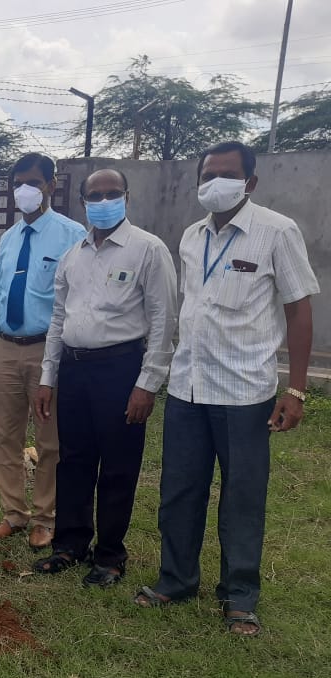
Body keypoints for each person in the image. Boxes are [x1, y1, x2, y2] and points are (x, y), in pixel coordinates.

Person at [136, 142, 319, 636]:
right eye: (208, 174)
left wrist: (296, 389)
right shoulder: (191, 237)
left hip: (244, 393)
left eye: (227, 174)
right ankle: (175, 580)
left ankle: (239, 596)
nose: (215, 182)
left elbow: (298, 308)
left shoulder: (277, 232)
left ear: (250, 183)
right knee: (179, 492)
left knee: (241, 498)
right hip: (188, 389)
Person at [33, 168, 176, 587]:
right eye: (95, 195)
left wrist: (147, 383)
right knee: (73, 459)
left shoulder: (148, 250)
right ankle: (70, 543)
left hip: (120, 369)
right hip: (74, 369)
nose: (104, 201)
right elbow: (58, 319)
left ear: (126, 197)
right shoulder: (73, 255)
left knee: (117, 466)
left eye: (112, 193)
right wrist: (47, 377)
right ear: (83, 201)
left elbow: (163, 321)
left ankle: (110, 555)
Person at [0, 153, 85, 551]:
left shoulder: (72, 235)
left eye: (33, 183)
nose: (24, 190)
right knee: (1, 434)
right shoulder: (9, 238)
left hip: (48, 349)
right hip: (6, 347)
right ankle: (13, 513)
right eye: (18, 183)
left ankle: (45, 518)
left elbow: (76, 298)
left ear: (51, 186)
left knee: (50, 438)